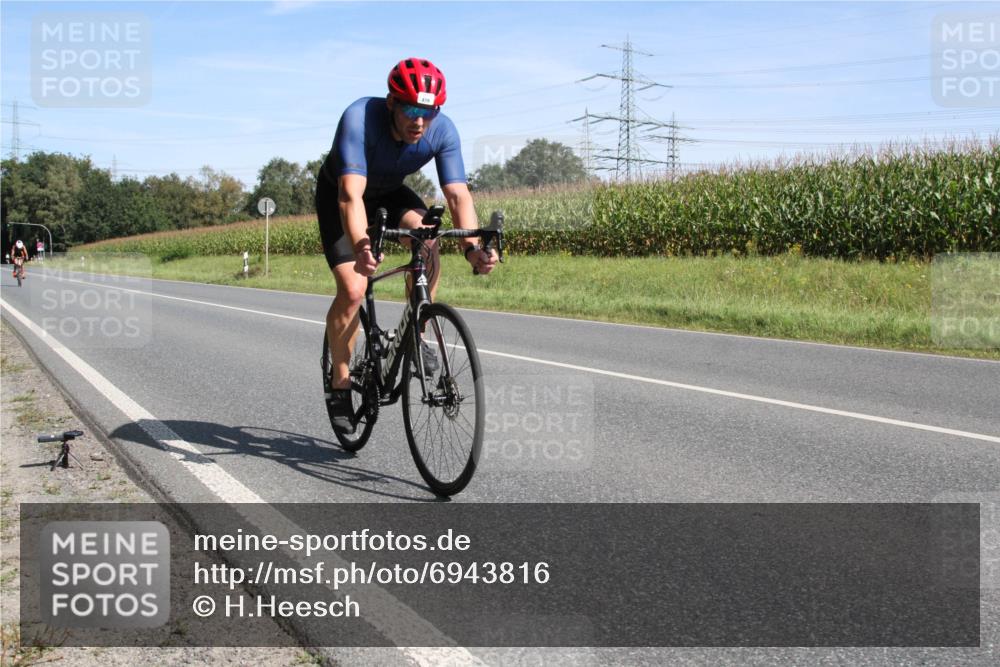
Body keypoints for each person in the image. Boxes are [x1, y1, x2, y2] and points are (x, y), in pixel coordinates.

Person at [316, 57, 498, 433]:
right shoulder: (359, 118)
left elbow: (458, 196)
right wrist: (363, 246)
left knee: (427, 237)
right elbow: (351, 197)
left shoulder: (441, 131)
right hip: (343, 194)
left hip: (390, 193)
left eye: (428, 111)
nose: (420, 121)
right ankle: (340, 380)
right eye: (412, 109)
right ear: (391, 103)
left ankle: (418, 332)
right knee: (353, 289)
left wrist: (473, 248)